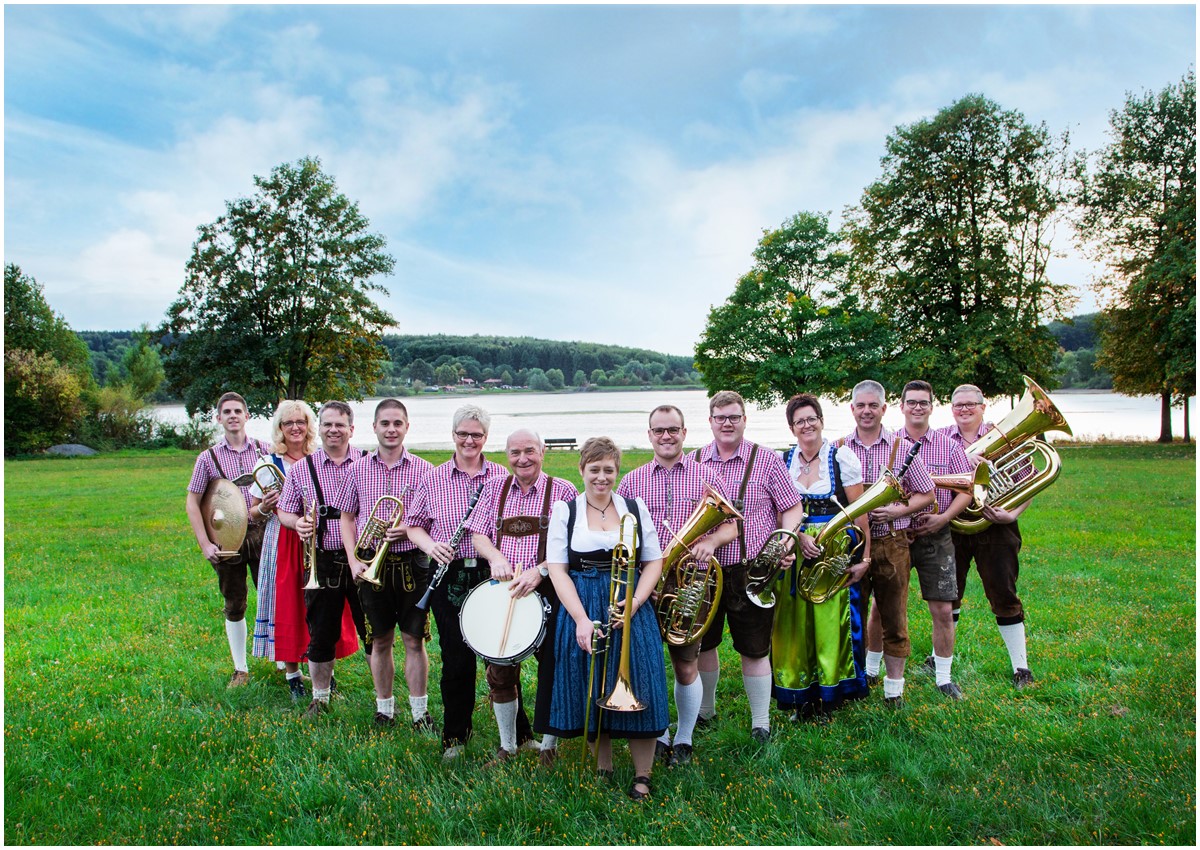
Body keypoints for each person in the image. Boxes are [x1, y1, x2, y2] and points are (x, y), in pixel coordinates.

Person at [545, 437, 668, 802]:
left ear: (618, 471)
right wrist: (581, 620)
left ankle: (643, 774)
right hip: (582, 603)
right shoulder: (565, 511)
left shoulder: (634, 506)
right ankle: (604, 766)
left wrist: (635, 602)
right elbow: (557, 569)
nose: (602, 478)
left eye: (609, 470)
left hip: (628, 604)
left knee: (640, 677)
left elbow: (654, 561)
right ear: (581, 470)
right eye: (594, 470)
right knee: (592, 680)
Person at [615, 405, 737, 766]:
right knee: (648, 662)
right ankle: (659, 734)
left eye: (673, 430)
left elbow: (731, 524)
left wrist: (712, 543)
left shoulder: (706, 475)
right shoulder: (631, 481)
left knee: (686, 663)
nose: (666, 436)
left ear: (685, 433)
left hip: (689, 583)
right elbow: (620, 532)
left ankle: (684, 736)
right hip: (644, 585)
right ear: (649, 434)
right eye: (658, 430)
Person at [693, 390, 813, 743]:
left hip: (753, 569)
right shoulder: (695, 460)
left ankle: (761, 722)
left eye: (734, 417)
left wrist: (785, 543)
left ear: (745, 419)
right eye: (720, 418)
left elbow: (792, 508)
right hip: (707, 569)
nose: (727, 423)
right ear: (710, 421)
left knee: (755, 647)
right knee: (705, 643)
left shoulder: (767, 459)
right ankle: (705, 710)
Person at [467, 428, 579, 766]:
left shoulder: (563, 490)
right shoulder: (494, 487)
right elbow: (477, 535)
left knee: (553, 668)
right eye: (515, 452)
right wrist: (495, 557)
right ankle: (509, 746)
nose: (522, 459)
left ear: (542, 451)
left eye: (529, 450)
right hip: (504, 592)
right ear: (507, 454)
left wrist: (541, 570)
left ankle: (549, 745)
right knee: (499, 670)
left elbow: (574, 546)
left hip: (548, 588)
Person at [404, 405, 509, 760]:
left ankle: (517, 733)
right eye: (463, 433)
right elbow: (414, 524)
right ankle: (455, 738)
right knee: (456, 658)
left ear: (486, 438)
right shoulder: (432, 478)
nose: (469, 440)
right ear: (453, 435)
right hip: (448, 574)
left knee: (502, 657)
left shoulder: (500, 476)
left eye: (476, 435)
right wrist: (431, 545)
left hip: (492, 572)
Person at [334, 399, 436, 730]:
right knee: (379, 639)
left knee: (413, 640)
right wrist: (352, 559)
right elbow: (346, 517)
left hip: (412, 564)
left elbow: (432, 520)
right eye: (385, 423)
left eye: (397, 423)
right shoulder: (357, 468)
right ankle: (385, 709)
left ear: (407, 427)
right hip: (369, 564)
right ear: (374, 427)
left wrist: (406, 527)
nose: (391, 429)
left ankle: (420, 713)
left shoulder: (424, 470)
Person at [772, 394, 871, 720]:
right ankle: (800, 692)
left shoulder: (841, 457)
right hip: (796, 549)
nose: (806, 425)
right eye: (799, 421)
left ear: (821, 420)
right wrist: (798, 537)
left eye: (811, 418)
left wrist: (864, 558)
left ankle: (832, 692)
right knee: (795, 624)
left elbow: (860, 514)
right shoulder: (783, 460)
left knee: (832, 622)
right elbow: (779, 511)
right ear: (791, 427)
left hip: (834, 551)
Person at [838, 380, 935, 708]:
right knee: (850, 616)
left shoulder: (900, 445)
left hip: (892, 542)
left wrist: (896, 509)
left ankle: (894, 690)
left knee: (894, 616)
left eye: (873, 406)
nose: (866, 411)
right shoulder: (838, 448)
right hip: (849, 546)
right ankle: (854, 684)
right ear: (852, 409)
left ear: (883, 408)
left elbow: (927, 494)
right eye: (860, 405)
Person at [937, 383, 1036, 689]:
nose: (964, 410)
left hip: (997, 525)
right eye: (958, 405)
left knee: (1003, 592)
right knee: (947, 594)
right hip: (955, 525)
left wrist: (1013, 514)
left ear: (983, 406)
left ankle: (1021, 668)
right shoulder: (941, 439)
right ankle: (937, 659)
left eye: (970, 404)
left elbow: (1030, 481)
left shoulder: (1004, 436)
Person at [276, 400, 368, 718]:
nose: (333, 430)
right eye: (327, 424)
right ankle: (321, 699)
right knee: (321, 633)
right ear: (321, 428)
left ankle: (384, 700)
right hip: (322, 559)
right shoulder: (303, 468)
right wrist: (296, 522)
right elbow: (285, 510)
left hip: (363, 559)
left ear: (351, 429)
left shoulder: (369, 462)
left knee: (373, 631)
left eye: (339, 424)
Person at [185, 391, 274, 688]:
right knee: (234, 602)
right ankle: (241, 668)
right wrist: (204, 544)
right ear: (219, 418)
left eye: (238, 411)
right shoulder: (207, 458)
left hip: (263, 533)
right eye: (227, 412)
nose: (233, 416)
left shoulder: (265, 449)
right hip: (225, 540)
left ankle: (285, 661)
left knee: (274, 597)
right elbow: (192, 503)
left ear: (247, 416)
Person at [895, 380, 976, 699]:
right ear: (901, 406)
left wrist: (943, 518)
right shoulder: (889, 443)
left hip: (937, 532)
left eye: (923, 402)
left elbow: (967, 489)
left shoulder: (949, 445)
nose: (917, 407)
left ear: (932, 406)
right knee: (884, 607)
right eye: (911, 402)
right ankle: (873, 672)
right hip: (897, 532)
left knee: (943, 608)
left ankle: (943, 677)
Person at [249, 399, 318, 702]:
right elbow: (250, 514)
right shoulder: (267, 464)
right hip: (282, 540)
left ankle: (320, 668)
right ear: (279, 428)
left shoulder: (319, 458)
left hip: (316, 539)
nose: (295, 428)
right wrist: (263, 507)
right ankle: (293, 674)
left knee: (318, 605)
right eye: (288, 423)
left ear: (308, 426)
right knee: (287, 604)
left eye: (300, 421)